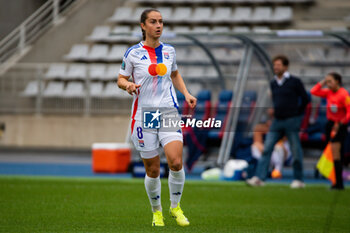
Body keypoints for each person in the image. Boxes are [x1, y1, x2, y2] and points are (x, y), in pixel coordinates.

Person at [117, 9, 197, 226]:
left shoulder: (170, 51)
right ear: (143, 26)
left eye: (161, 21)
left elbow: (174, 74)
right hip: (144, 116)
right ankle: (156, 212)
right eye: (153, 22)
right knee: (152, 169)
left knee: (176, 162)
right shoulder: (133, 53)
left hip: (167, 111)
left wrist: (186, 93)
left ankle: (176, 207)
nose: (158, 25)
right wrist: (128, 85)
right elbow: (121, 79)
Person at [246, 55, 309, 188]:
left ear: (285, 67)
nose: (276, 67)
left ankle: (299, 179)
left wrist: (297, 115)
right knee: (267, 148)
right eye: (274, 65)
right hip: (277, 121)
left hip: (291, 120)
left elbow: (305, 99)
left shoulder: (294, 81)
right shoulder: (273, 83)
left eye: (278, 65)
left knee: (296, 150)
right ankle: (260, 178)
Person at [310, 72, 350, 190]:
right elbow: (314, 91)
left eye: (330, 81)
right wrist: (322, 82)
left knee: (336, 153)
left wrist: (341, 123)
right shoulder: (328, 92)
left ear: (337, 81)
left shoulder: (343, 94)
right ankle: (336, 182)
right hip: (330, 124)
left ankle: (338, 183)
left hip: (339, 125)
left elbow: (349, 112)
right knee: (334, 153)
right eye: (326, 82)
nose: (327, 84)